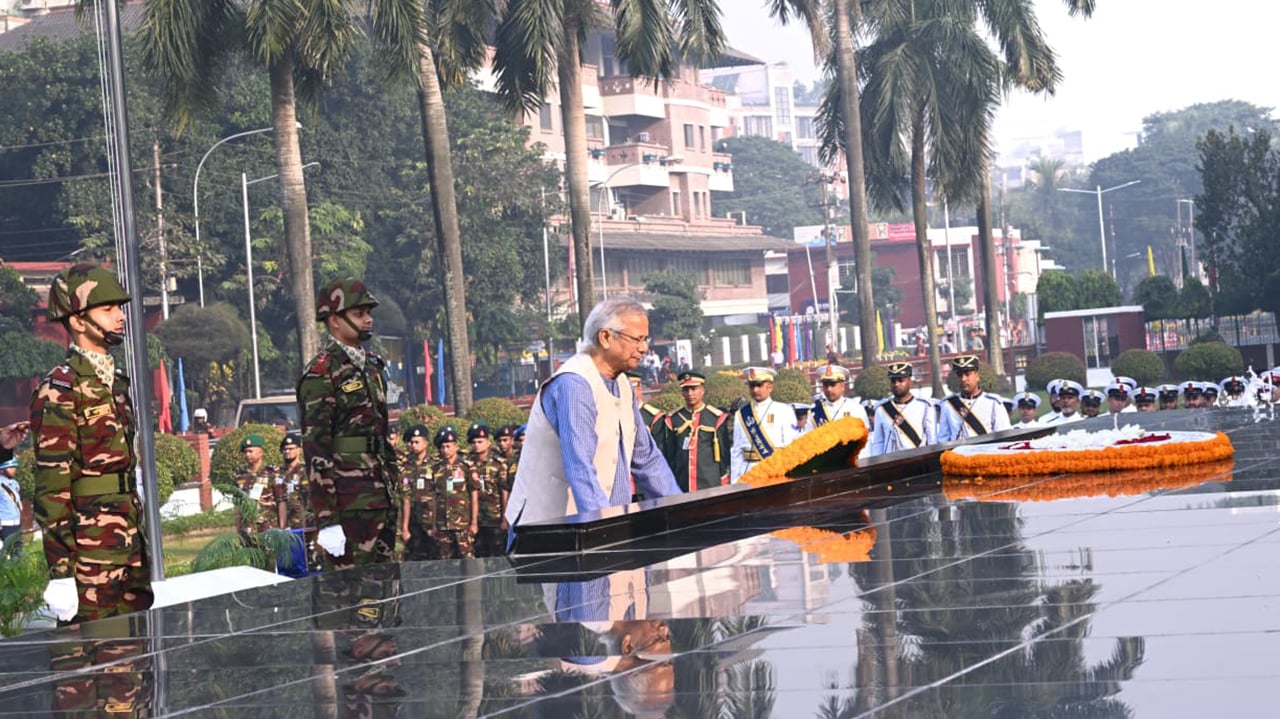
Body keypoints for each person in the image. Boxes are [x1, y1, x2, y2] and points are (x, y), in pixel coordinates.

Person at [30, 263, 152, 622]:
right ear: (78, 321)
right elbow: (52, 486)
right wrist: (62, 572)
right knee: (88, 662)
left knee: (136, 653)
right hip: (89, 554)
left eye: (120, 308)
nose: (120, 317)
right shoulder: (60, 389)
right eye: (107, 309)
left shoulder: (115, 382)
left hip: (129, 542)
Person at [505, 298, 681, 535]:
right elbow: (580, 465)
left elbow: (646, 458)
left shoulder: (622, 383)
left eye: (645, 339)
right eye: (636, 339)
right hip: (552, 529)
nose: (643, 348)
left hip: (597, 525)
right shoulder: (574, 384)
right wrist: (604, 528)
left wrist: (680, 512)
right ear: (606, 337)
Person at [297, 277, 398, 570]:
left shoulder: (373, 366)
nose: (368, 320)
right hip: (348, 500)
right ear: (334, 320)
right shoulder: (321, 373)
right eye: (358, 314)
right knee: (351, 596)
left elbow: (380, 433)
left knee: (385, 587)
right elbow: (316, 448)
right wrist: (327, 519)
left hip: (380, 494)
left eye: (369, 313)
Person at [660, 371, 730, 492]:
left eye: (694, 389)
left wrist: (723, 478)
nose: (690, 394)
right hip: (682, 483)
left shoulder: (716, 418)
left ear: (702, 390)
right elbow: (670, 454)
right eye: (686, 390)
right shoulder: (673, 419)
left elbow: (724, 455)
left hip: (710, 482)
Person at [730, 367, 799, 481]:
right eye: (752, 386)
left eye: (759, 385)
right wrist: (734, 480)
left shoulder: (783, 410)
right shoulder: (741, 414)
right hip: (747, 472)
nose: (755, 390)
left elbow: (790, 446)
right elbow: (737, 451)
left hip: (774, 472)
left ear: (770, 387)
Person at [867, 362, 937, 457]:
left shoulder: (924, 407)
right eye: (893, 381)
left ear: (910, 381)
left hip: (916, 461)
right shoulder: (882, 410)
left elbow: (931, 440)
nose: (896, 384)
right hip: (890, 462)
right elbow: (878, 442)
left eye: (901, 380)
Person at [937, 355, 1010, 441]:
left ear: (977, 376)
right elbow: (943, 439)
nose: (963, 379)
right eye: (960, 375)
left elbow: (1004, 436)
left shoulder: (993, 403)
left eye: (967, 374)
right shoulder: (948, 404)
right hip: (958, 453)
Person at [466, 422, 509, 558]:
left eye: (480, 441)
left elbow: (504, 492)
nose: (476, 445)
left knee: (498, 556)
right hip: (474, 519)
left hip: (494, 518)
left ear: (488, 443)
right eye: (474, 442)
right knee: (479, 556)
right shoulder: (467, 464)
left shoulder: (498, 464)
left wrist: (504, 518)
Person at [234, 434, 281, 536]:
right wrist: (238, 527)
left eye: (251, 451)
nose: (247, 455)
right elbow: (238, 503)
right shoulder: (240, 474)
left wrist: (282, 525)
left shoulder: (272, 472)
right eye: (245, 452)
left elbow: (281, 500)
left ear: (261, 452)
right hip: (247, 529)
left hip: (269, 527)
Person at [398, 424, 433, 559]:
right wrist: (405, 527)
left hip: (429, 520)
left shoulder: (435, 464)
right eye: (411, 442)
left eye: (417, 442)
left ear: (426, 443)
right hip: (411, 520)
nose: (413, 445)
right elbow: (404, 496)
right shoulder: (405, 466)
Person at [811, 365, 869, 429]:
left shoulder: (856, 409)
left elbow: (866, 435)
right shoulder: (814, 413)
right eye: (825, 385)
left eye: (832, 384)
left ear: (842, 386)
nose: (829, 389)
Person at [1, 457, 22, 556]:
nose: (14, 469)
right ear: (2, 469)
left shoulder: (14, 484)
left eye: (15, 467)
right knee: (5, 555)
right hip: (4, 526)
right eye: (11, 467)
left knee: (17, 553)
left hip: (16, 524)